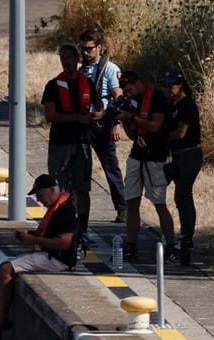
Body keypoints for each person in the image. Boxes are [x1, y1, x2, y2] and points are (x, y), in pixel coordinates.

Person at [0, 174, 78, 340]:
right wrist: (28, 236)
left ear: (52, 190)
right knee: (8, 264)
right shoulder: (59, 207)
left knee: (5, 269)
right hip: (51, 256)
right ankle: (0, 318)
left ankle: (0, 320)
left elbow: (65, 243)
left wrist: (34, 240)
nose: (38, 199)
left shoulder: (65, 210)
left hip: (57, 260)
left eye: (40, 194)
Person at [41, 44, 101, 240]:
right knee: (58, 189)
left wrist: (98, 114)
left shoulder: (87, 83)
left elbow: (99, 105)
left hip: (82, 143)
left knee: (82, 189)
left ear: (77, 60)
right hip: (60, 143)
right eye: (62, 58)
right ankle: (59, 227)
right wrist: (77, 118)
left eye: (69, 58)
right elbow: (50, 115)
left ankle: (82, 230)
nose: (66, 62)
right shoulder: (53, 85)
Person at [117, 70, 175, 263]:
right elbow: (134, 135)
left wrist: (132, 118)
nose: (128, 92)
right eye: (125, 89)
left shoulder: (157, 97)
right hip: (137, 155)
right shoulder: (132, 101)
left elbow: (156, 126)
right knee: (132, 202)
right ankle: (131, 246)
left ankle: (171, 245)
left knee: (159, 204)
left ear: (139, 83)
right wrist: (125, 120)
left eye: (130, 87)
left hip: (155, 156)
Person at [78, 27, 128, 223]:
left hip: (103, 124)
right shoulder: (82, 70)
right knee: (81, 168)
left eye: (89, 49)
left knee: (110, 167)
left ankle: (122, 207)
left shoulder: (110, 69)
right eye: (82, 48)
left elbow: (118, 97)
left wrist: (115, 122)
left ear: (99, 48)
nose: (85, 53)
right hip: (84, 124)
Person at [161, 67, 202, 267]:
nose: (168, 89)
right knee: (171, 193)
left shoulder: (187, 105)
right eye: (165, 85)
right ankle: (179, 235)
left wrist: (158, 136)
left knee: (183, 194)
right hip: (174, 155)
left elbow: (180, 133)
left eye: (172, 85)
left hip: (189, 154)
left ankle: (187, 237)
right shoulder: (171, 103)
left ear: (181, 85)